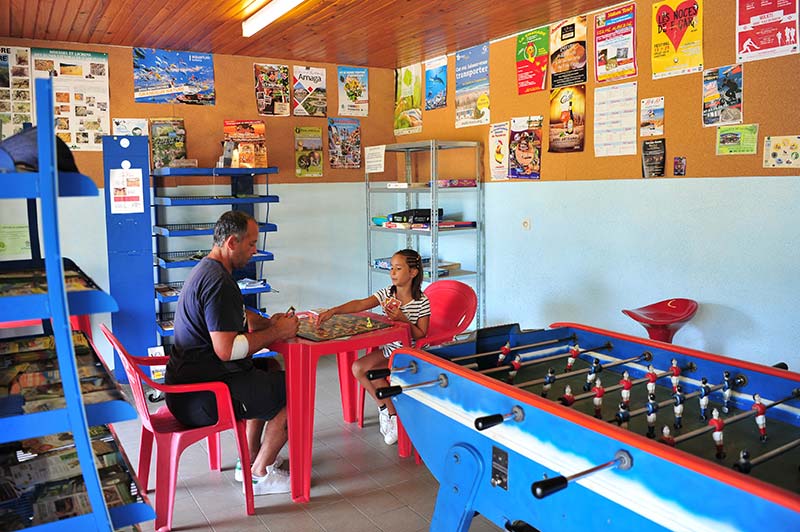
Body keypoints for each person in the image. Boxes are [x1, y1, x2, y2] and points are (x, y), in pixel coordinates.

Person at [165, 210, 300, 496]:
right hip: (203, 397)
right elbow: (227, 350)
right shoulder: (218, 282)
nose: (255, 250)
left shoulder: (208, 269)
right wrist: (278, 333)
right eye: (251, 244)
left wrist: (268, 323)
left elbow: (232, 318)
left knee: (271, 369)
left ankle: (249, 460)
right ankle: (260, 474)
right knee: (297, 389)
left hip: (186, 388)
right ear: (231, 242)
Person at [317, 249, 430, 445]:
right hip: (389, 351)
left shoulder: (422, 302)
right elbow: (361, 304)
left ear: (412, 272)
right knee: (358, 368)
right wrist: (334, 311)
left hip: (409, 356)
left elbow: (421, 334)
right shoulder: (387, 293)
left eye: (398, 268)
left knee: (375, 373)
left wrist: (403, 320)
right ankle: (386, 409)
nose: (393, 273)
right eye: (391, 268)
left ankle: (394, 417)